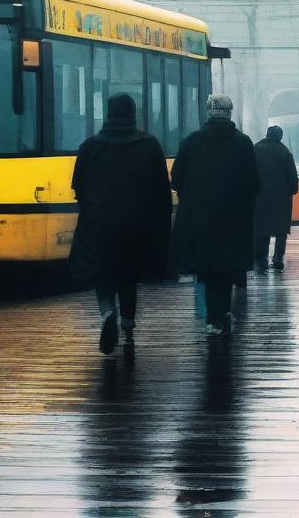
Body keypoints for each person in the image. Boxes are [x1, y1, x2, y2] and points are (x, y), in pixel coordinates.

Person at [69, 93, 172, 356]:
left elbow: (78, 186)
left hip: (99, 223)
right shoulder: (149, 145)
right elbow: (162, 189)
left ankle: (107, 311)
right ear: (133, 113)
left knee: (103, 273)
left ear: (108, 113)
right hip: (138, 224)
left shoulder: (90, 147)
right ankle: (128, 326)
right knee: (129, 275)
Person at [171, 94, 259, 338]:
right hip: (233, 217)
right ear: (229, 113)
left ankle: (213, 317)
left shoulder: (191, 142)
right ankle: (220, 313)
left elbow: (177, 178)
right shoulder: (242, 143)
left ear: (209, 112)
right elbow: (253, 183)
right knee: (226, 266)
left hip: (199, 216)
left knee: (207, 267)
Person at [253, 125, 299, 271]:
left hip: (260, 196)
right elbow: (292, 177)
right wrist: (293, 190)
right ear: (280, 136)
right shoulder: (285, 152)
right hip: (281, 198)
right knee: (281, 230)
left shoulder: (256, 149)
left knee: (261, 229)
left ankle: (261, 259)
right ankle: (278, 258)